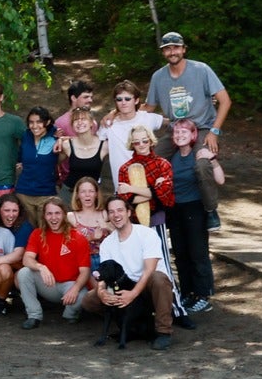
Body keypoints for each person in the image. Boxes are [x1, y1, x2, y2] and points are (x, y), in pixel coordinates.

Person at [146, 30, 230, 228]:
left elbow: (225, 101)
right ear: (163, 52)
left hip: (201, 127)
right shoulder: (159, 77)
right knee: (151, 162)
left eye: (175, 47)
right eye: (167, 49)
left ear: (183, 49)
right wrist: (117, 112)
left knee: (201, 165)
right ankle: (158, 205)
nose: (172, 52)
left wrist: (214, 131)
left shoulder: (201, 70)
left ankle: (210, 210)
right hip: (175, 128)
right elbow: (148, 107)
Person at [80, 196, 176, 350]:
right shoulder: (107, 243)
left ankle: (163, 331)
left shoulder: (146, 234)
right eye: (111, 212)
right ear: (107, 216)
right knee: (89, 300)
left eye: (120, 210)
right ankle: (127, 324)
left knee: (158, 278)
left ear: (129, 212)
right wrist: (102, 291)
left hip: (148, 288)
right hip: (123, 286)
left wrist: (133, 294)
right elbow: (104, 275)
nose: (116, 215)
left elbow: (149, 269)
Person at [161, 118, 215, 314]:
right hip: (175, 209)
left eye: (184, 132)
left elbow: (219, 179)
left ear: (193, 135)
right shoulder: (171, 156)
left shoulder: (198, 155)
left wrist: (212, 159)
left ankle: (203, 295)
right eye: (176, 133)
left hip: (194, 207)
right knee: (180, 253)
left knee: (197, 252)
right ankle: (187, 292)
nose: (180, 135)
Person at [17, 197, 92, 329]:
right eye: (49, 214)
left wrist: (75, 289)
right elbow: (27, 259)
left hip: (69, 285)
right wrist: (41, 267)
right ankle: (34, 315)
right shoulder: (37, 234)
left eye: (57, 213)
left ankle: (70, 314)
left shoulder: (78, 237)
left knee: (82, 296)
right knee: (24, 273)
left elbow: (85, 271)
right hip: (48, 284)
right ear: (44, 216)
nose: (53, 218)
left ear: (64, 214)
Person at [98, 81, 166, 189]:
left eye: (128, 99)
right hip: (122, 186)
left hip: (148, 184)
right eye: (119, 99)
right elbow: (94, 146)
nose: (123, 102)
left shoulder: (148, 118)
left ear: (136, 100)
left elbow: (172, 123)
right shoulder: (108, 124)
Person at [14, 108, 61, 231]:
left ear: (47, 122)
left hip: (46, 194)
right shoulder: (26, 136)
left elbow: (73, 140)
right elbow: (20, 156)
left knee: (45, 231)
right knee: (26, 231)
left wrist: (61, 139)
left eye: (39, 122)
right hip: (24, 193)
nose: (34, 126)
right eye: (31, 122)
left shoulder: (55, 136)